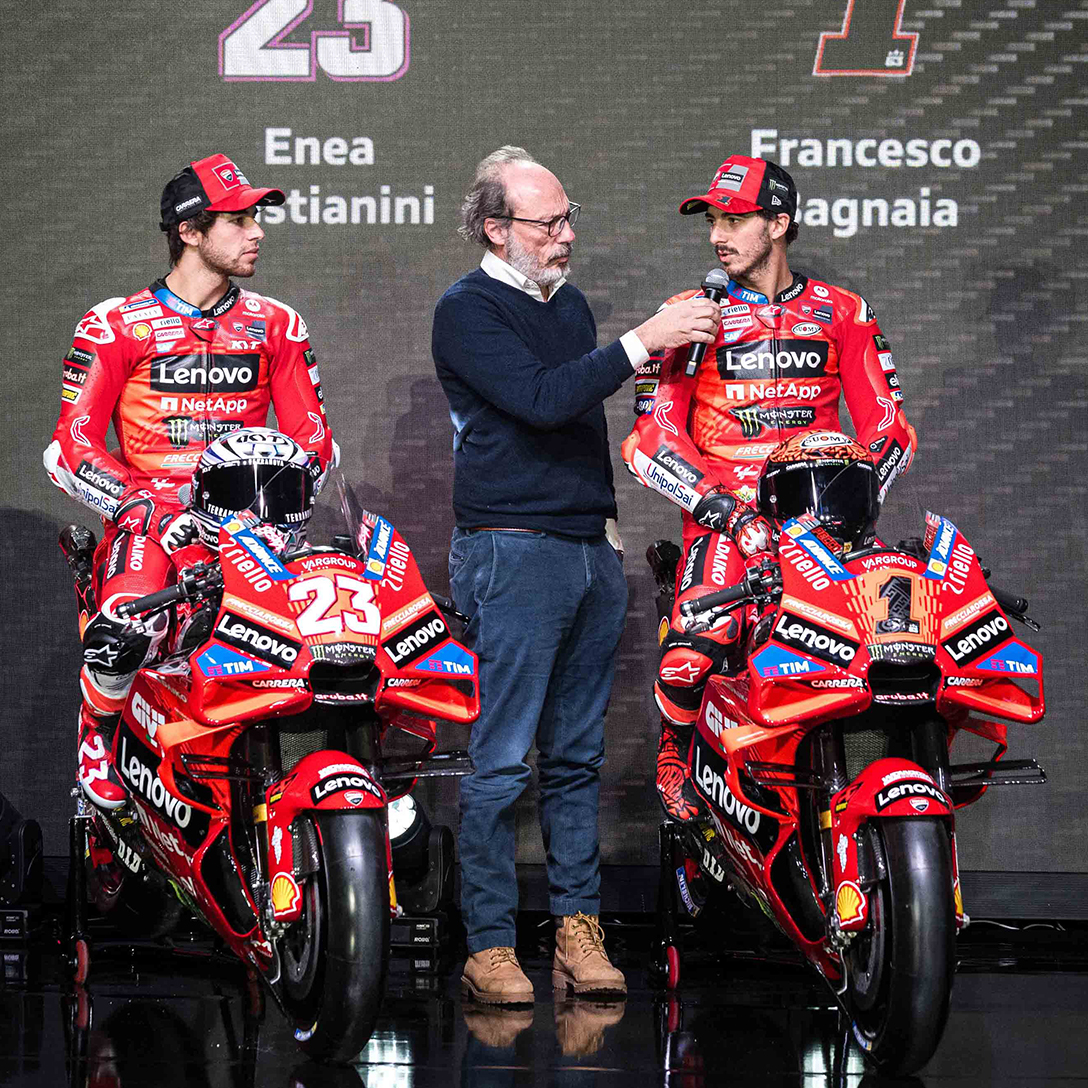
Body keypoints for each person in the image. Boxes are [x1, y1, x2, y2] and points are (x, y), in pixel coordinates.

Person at [432, 146, 721, 1005]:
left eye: (569, 219)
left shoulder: (568, 302)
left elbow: (578, 416)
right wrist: (644, 340)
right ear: (496, 228)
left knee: (575, 759)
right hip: (512, 551)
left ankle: (576, 931)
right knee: (500, 763)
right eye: (548, 222)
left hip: (587, 551)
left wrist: (606, 531)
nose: (565, 236)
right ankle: (490, 945)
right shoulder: (466, 309)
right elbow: (543, 398)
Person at [621, 155, 917, 823]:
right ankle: (676, 752)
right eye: (712, 221)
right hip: (726, 524)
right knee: (688, 659)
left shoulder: (844, 311)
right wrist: (728, 512)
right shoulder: (685, 317)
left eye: (734, 220)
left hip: (827, 530)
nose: (717, 236)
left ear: (779, 224)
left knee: (897, 650)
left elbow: (889, 428)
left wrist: (852, 497)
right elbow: (650, 439)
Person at [44, 153, 336, 810]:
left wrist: (276, 504)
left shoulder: (279, 324)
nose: (257, 232)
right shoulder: (114, 324)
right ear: (190, 231)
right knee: (124, 625)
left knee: (343, 634)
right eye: (238, 220)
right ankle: (97, 735)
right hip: (154, 528)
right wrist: (144, 505)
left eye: (256, 218)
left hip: (254, 532)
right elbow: (70, 448)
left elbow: (316, 439)